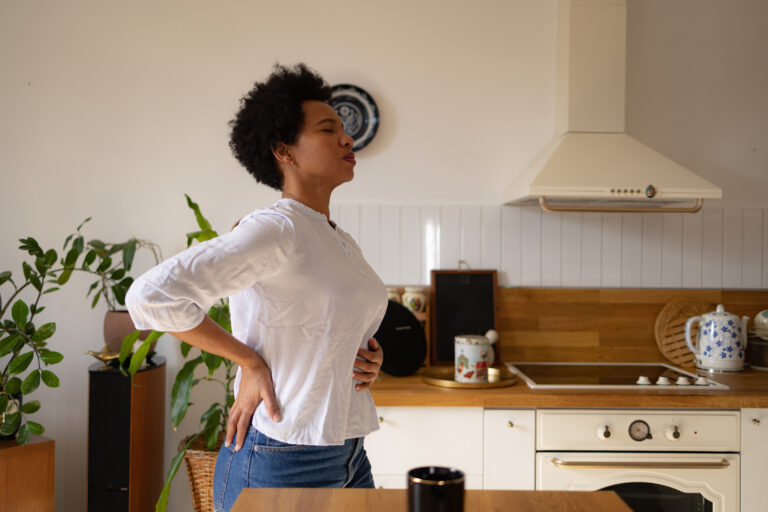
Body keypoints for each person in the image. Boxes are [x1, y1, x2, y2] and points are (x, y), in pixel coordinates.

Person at [125, 63, 386, 511]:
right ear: (284, 150)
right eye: (329, 129)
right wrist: (249, 361)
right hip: (283, 457)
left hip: (349, 452)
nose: (348, 139)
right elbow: (149, 296)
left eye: (345, 128)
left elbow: (323, 327)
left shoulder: (337, 237)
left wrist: (369, 357)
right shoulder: (277, 228)